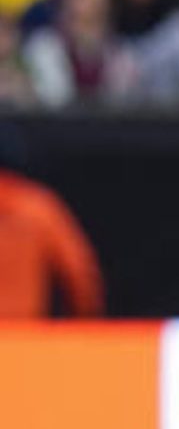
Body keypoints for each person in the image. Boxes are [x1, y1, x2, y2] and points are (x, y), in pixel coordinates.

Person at [0, 132, 104, 318]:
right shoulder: (37, 207)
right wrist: (82, 324)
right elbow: (80, 276)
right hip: (25, 338)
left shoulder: (37, 207)